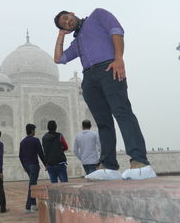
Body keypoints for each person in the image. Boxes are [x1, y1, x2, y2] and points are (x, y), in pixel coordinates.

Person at [53, 9, 156, 180]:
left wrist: (118, 59)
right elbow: (59, 59)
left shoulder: (97, 15)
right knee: (103, 123)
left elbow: (116, 31)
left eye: (66, 18)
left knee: (122, 113)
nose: (67, 22)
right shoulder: (77, 41)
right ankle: (109, 166)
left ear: (71, 13)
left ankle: (140, 161)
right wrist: (61, 35)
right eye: (64, 24)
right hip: (89, 78)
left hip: (109, 67)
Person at [19, 124, 46, 213]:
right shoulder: (35, 140)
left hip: (27, 165)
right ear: (31, 130)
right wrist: (46, 164)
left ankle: (33, 205)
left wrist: (24, 166)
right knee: (32, 185)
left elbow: (20, 156)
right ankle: (28, 206)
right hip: (33, 165)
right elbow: (41, 153)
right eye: (34, 130)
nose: (35, 131)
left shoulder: (22, 142)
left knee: (33, 184)